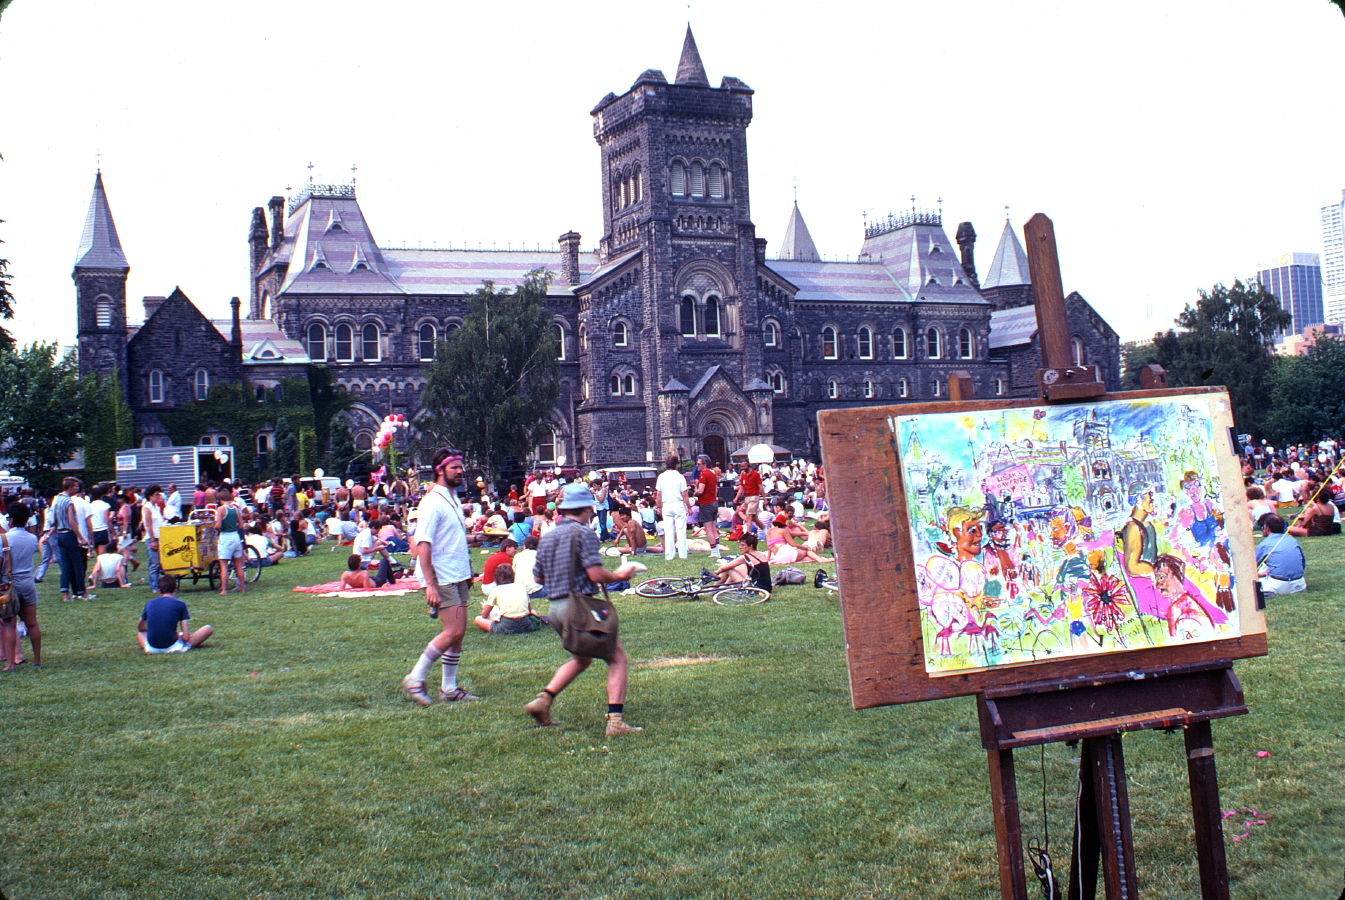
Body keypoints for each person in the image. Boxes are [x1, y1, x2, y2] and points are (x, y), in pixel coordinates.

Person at [523, 482, 643, 735]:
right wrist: (621, 573)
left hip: (555, 609)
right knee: (617, 657)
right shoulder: (584, 533)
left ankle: (543, 701)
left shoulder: (548, 536)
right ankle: (615, 721)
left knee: (582, 658)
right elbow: (595, 573)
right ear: (587, 508)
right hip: (578, 605)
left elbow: (538, 579)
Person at [401, 447, 479, 706]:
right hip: (442, 576)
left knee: (459, 634)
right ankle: (415, 677)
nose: (461, 471)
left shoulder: (453, 497)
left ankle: (449, 688)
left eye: (461, 466)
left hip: (458, 574)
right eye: (455, 467)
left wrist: (477, 539)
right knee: (453, 630)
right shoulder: (432, 501)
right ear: (440, 470)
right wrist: (430, 585)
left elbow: (450, 537)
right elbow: (423, 544)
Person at [1, 503, 41, 670]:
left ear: (10, 519)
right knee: (32, 622)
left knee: (9, 623)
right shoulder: (33, 538)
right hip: (27, 581)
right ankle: (37, 659)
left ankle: (10, 663)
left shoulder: (4, 538)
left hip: (9, 583)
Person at [136, 575, 213, 653]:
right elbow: (186, 637)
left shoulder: (150, 603)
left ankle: (149, 648)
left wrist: (154, 632)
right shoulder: (180, 604)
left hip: (152, 647)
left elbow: (140, 627)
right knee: (208, 629)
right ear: (175, 589)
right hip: (173, 647)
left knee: (140, 634)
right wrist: (179, 635)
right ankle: (183, 647)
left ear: (159, 589)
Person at [50, 477, 91, 601]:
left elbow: (53, 520)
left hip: (60, 534)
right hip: (69, 534)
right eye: (76, 487)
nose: (78, 489)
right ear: (71, 487)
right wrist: (81, 537)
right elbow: (72, 521)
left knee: (65, 565)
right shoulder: (69, 502)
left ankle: (65, 593)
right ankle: (82, 592)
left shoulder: (56, 500)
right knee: (78, 564)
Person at [473, 563, 541, 634]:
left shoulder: (496, 589)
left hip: (507, 626)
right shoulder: (521, 587)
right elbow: (529, 610)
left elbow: (484, 615)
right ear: (513, 576)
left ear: (496, 578)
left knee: (478, 619)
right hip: (527, 625)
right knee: (534, 611)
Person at [1255, 514, 1306, 595]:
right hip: (1299, 585)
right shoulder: (1293, 540)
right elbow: (1302, 563)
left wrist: (1258, 574)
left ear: (1267, 528)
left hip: (1276, 586)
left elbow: (1251, 567)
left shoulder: (1264, 544)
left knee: (1260, 571)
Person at [213, 485, 249, 595]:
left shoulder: (221, 509)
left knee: (223, 565)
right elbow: (241, 525)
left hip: (225, 537)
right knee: (239, 565)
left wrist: (214, 527)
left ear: (221, 500)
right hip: (235, 537)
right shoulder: (236, 509)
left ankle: (224, 589)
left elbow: (218, 525)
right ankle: (242, 588)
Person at [655, 455, 690, 561]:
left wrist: (659, 507)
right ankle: (683, 554)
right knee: (681, 530)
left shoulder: (661, 477)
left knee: (668, 531)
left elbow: (658, 494)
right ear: (677, 465)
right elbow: (684, 494)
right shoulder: (680, 477)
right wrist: (689, 507)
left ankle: (669, 555)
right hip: (678, 504)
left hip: (667, 505)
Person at [693, 455, 722, 559]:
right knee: (714, 528)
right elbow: (715, 489)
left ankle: (714, 551)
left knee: (708, 528)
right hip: (713, 502)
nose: (697, 466)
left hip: (706, 503)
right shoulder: (713, 473)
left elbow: (700, 491)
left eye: (699, 464)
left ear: (704, 464)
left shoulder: (704, 474)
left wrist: (694, 492)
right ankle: (717, 549)